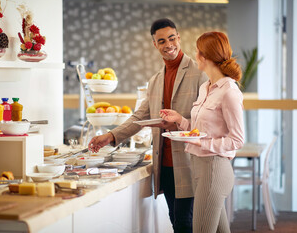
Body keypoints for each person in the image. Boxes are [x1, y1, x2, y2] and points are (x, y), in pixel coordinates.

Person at [88, 18, 208, 233]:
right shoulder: (155, 80)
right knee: (175, 219)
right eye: (162, 41)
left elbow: (207, 120)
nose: (168, 44)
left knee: (185, 221)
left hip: (191, 161)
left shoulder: (200, 74)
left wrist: (180, 121)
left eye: (172, 38)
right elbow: (139, 117)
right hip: (165, 163)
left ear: (179, 38)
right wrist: (111, 136)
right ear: (155, 45)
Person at [159, 31, 245, 233]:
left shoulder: (229, 92)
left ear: (204, 57)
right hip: (200, 168)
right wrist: (180, 120)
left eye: (197, 51)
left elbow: (237, 140)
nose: (195, 55)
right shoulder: (206, 87)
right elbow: (202, 130)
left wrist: (203, 143)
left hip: (214, 169)